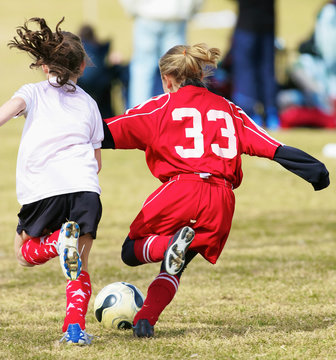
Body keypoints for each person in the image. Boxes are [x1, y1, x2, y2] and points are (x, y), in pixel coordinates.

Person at [102, 43, 329, 338]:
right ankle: (145, 321)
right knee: (176, 266)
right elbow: (273, 147)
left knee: (131, 251)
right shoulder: (229, 109)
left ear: (168, 78)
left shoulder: (161, 106)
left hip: (181, 189)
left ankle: (167, 245)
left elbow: (106, 131)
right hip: (220, 200)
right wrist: (315, 171)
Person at [0, 17, 104, 345]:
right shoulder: (90, 104)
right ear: (83, 67)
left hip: (45, 188)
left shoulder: (31, 93)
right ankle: (74, 330)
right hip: (86, 189)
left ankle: (57, 242)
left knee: (22, 253)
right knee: (80, 266)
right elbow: (96, 162)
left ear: (44, 66)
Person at [118, 0, 204, 107]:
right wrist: (190, 10)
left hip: (147, 14)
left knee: (143, 71)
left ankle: (138, 114)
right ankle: (178, 112)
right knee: (177, 70)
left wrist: (132, 9)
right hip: (174, 15)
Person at [231, 0, 280, 130]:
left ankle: (249, 114)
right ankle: (271, 114)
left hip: (246, 24)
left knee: (245, 72)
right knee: (267, 70)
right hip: (268, 24)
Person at [77, 24, 129, 118]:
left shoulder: (74, 57)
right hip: (105, 116)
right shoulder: (99, 54)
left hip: (81, 116)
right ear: (94, 39)